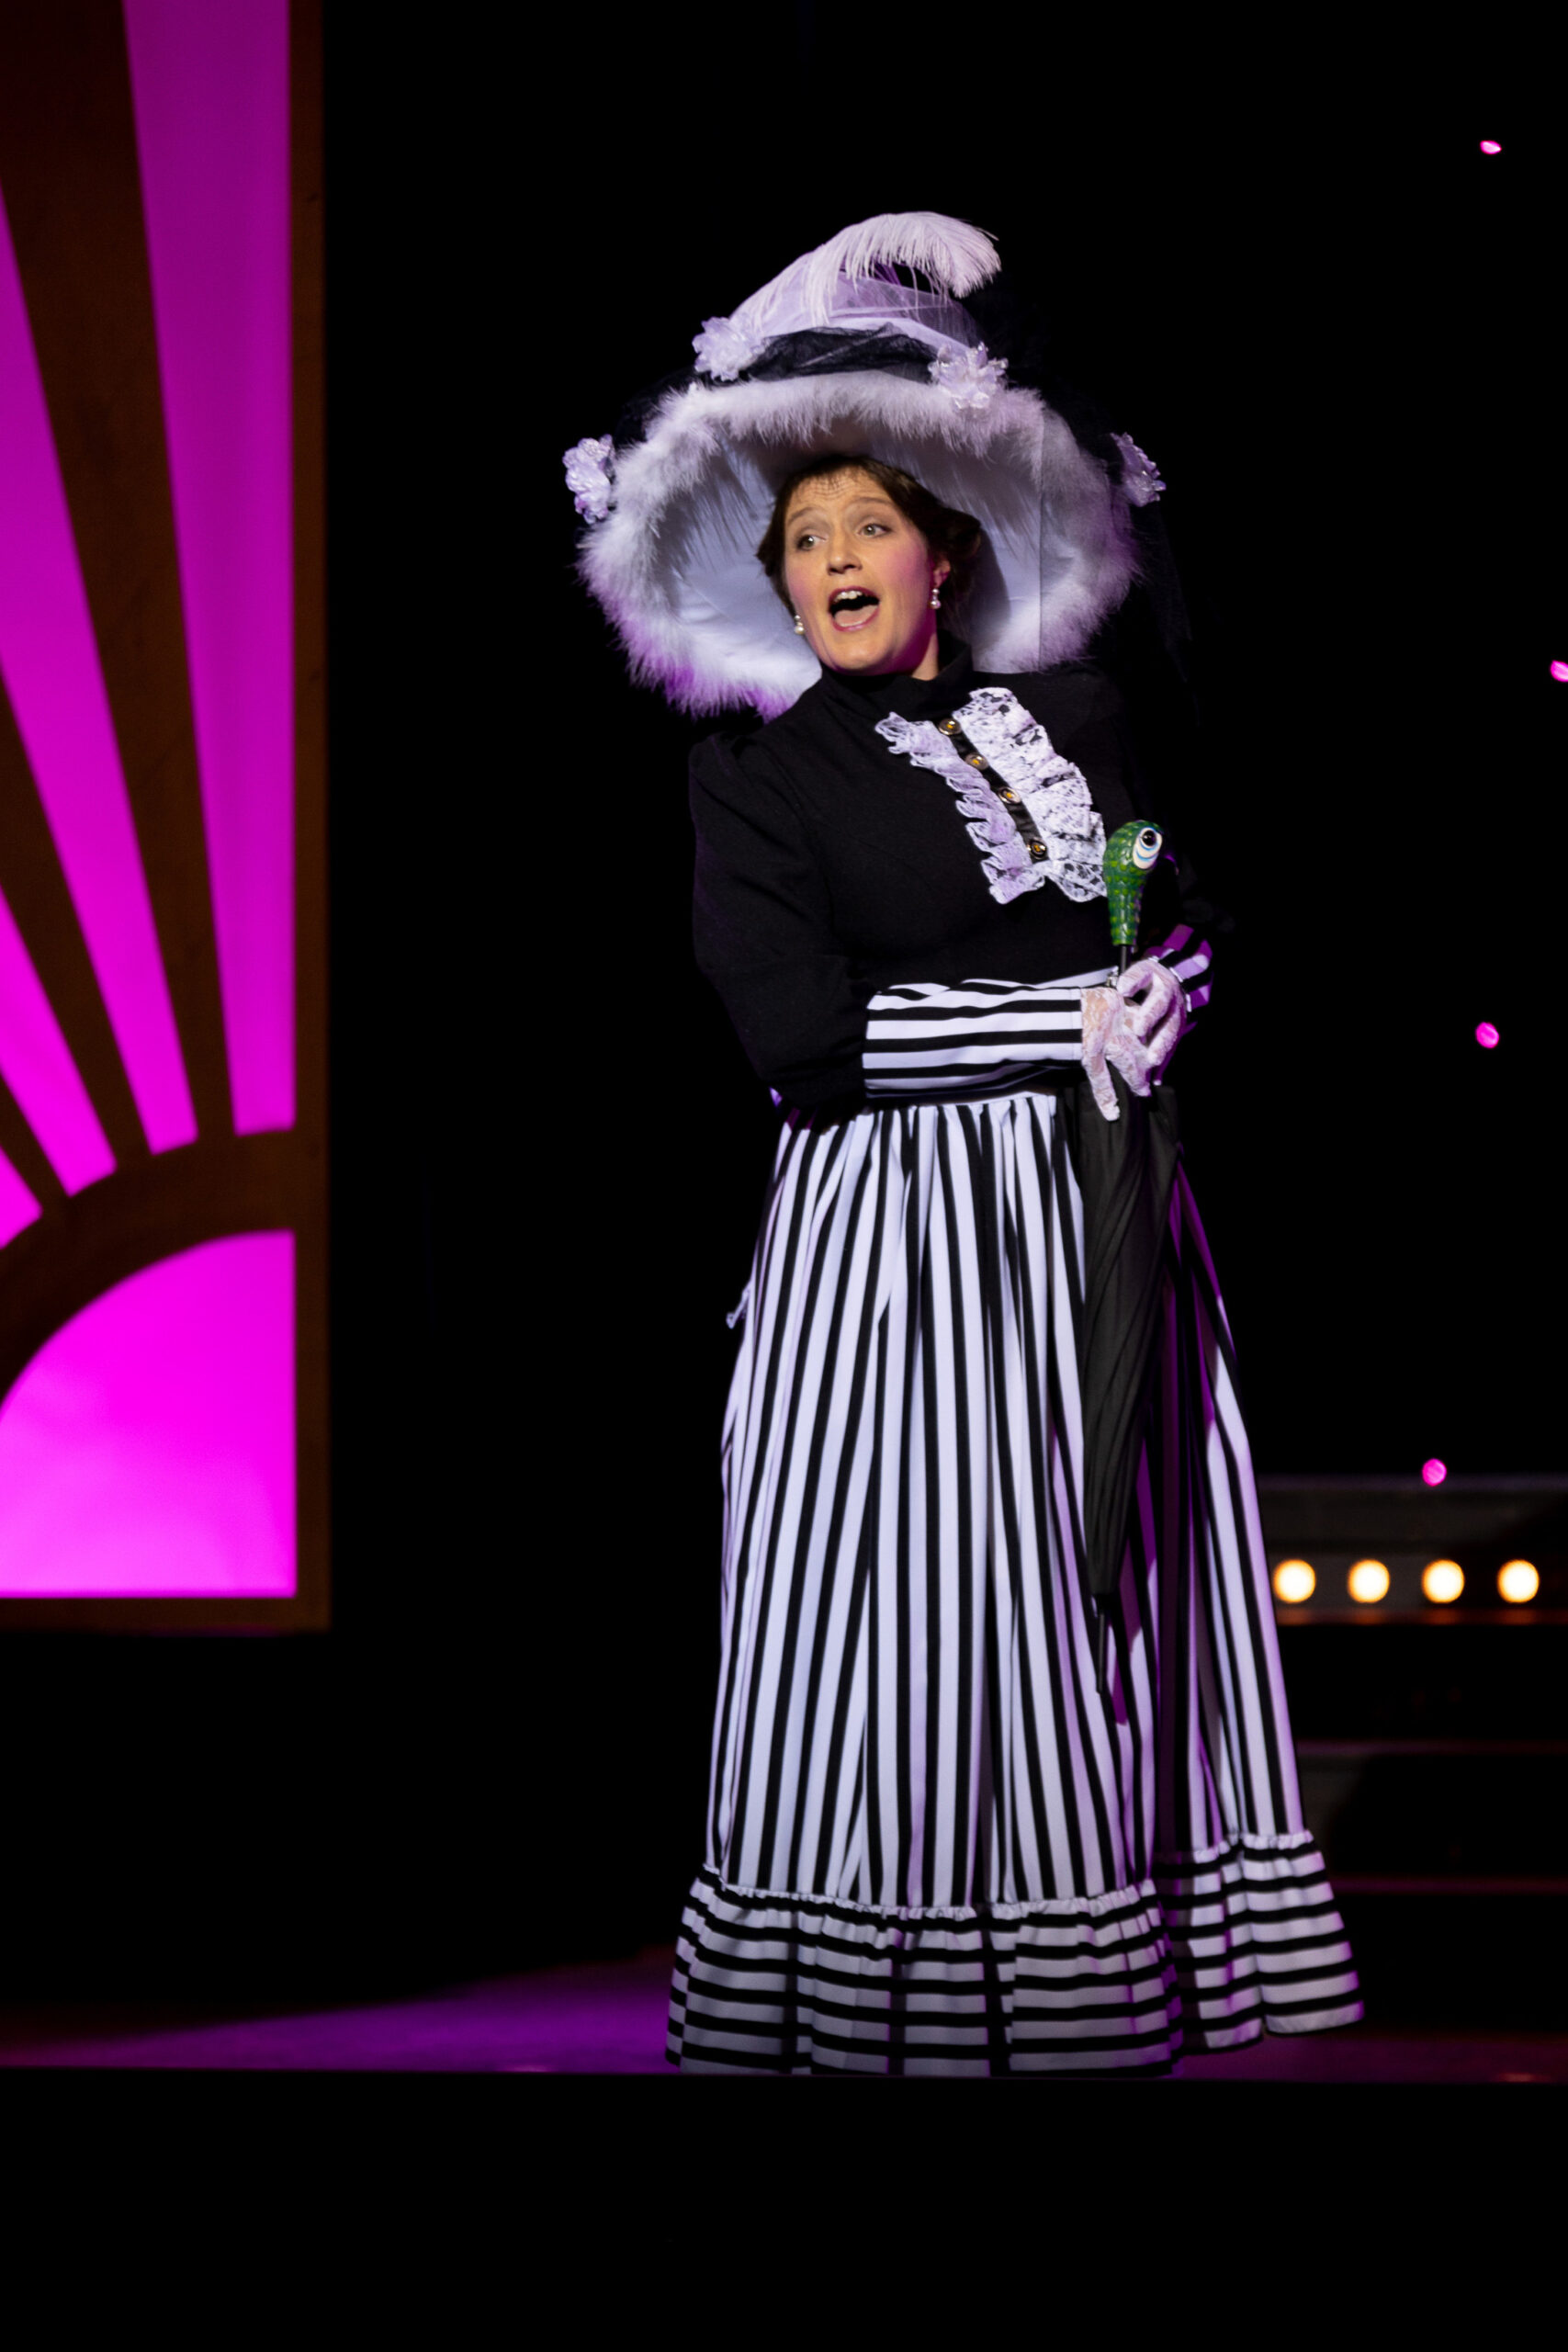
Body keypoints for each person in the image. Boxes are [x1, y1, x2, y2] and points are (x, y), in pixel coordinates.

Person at [565, 213, 1361, 2075]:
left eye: (869, 525)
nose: (836, 558)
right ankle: (889, 2001)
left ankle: (1094, 1995)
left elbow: (1167, 901)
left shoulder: (1075, 716)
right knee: (918, 1615)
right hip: (898, 1253)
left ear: (947, 552)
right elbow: (797, 1033)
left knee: (1101, 1603)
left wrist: (1166, 988)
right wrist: (1056, 1027)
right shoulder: (758, 772)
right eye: (805, 538)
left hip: (1098, 1213)